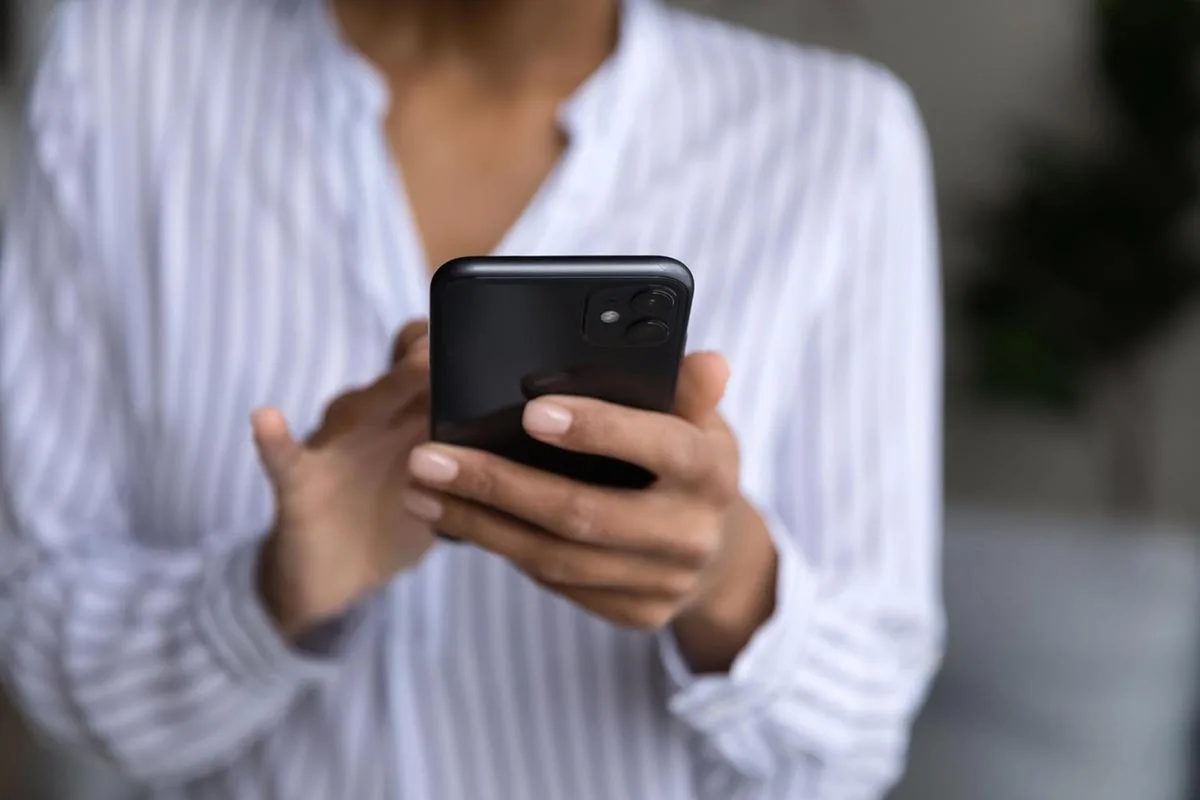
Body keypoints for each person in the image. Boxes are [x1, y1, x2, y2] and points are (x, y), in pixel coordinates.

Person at [0, 0, 943, 797]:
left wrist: (728, 583)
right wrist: (272, 596)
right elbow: (43, 650)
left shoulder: (839, 138)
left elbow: (861, 733)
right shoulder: (122, 70)